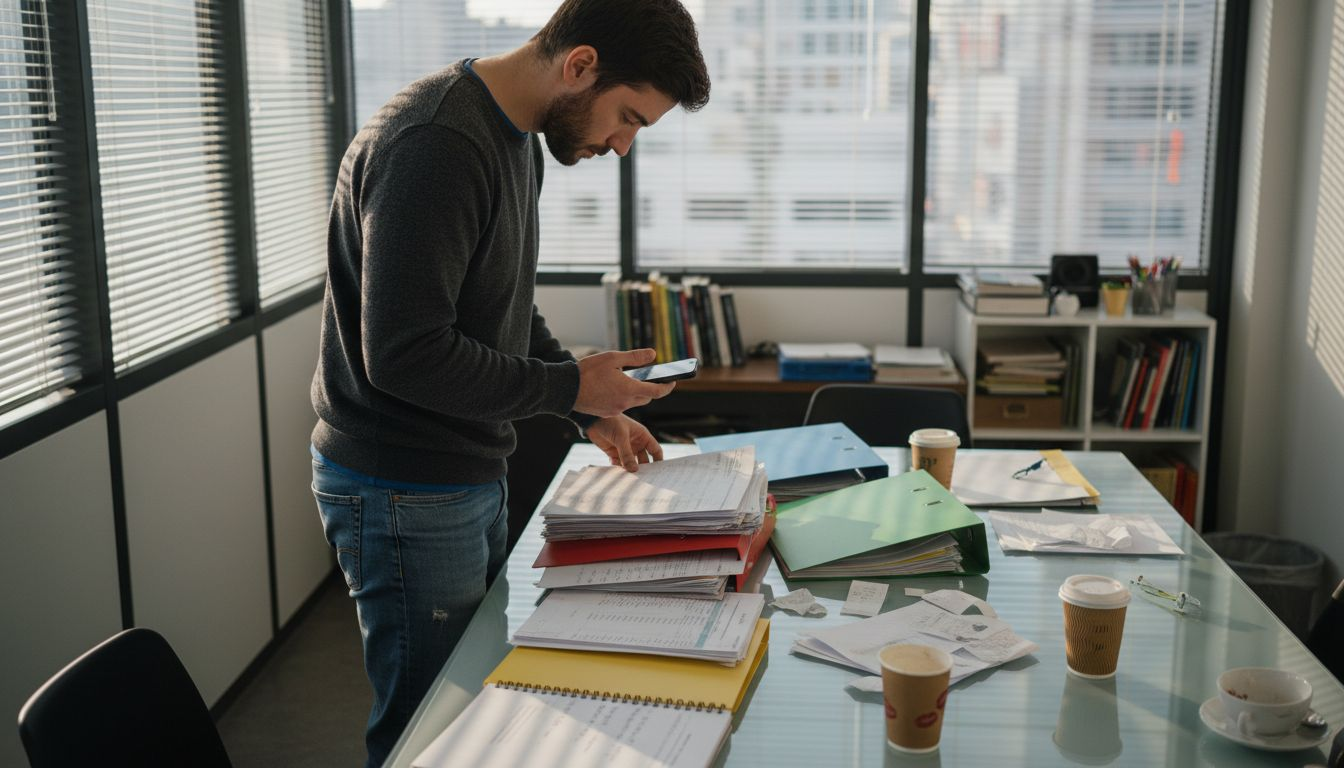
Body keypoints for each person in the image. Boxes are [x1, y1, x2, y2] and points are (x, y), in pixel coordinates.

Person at [308, 0, 710, 764]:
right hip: (401, 484)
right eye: (627, 118)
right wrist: (570, 390)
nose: (622, 146)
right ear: (580, 65)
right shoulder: (438, 143)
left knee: (470, 702)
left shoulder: (516, 135)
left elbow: (501, 304)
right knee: (426, 728)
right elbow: (405, 354)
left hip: (459, 473)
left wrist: (586, 410)